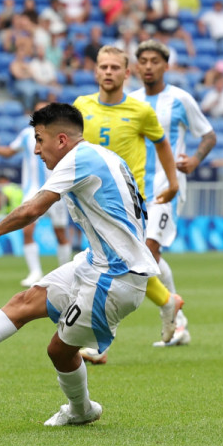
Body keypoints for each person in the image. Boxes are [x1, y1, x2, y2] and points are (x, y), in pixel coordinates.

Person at [0, 103, 158, 426]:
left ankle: (81, 410)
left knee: (59, 351)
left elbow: (33, 209)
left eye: (39, 140)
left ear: (61, 140)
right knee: (24, 302)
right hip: (96, 263)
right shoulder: (103, 156)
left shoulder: (77, 159)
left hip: (115, 279)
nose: (35, 150)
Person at [72, 46, 184, 347]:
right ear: (96, 71)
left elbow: (162, 144)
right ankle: (166, 300)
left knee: (107, 266)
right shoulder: (81, 105)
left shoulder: (139, 111)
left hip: (126, 201)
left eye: (114, 67)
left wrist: (172, 182)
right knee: (127, 264)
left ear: (126, 73)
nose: (108, 72)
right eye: (103, 67)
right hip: (89, 200)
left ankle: (94, 342)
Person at [121, 39, 217, 352]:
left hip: (168, 185)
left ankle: (174, 317)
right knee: (148, 254)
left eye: (155, 61)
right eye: (143, 61)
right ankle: (179, 319)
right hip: (136, 188)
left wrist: (195, 159)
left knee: (148, 249)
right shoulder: (130, 101)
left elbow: (208, 134)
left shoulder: (180, 99)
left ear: (166, 65)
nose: (148, 66)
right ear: (136, 67)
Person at [0, 102, 73, 286]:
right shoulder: (27, 135)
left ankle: (65, 273)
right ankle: (35, 273)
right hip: (33, 191)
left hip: (57, 189)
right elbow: (9, 152)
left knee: (60, 233)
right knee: (27, 230)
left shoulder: (61, 135)